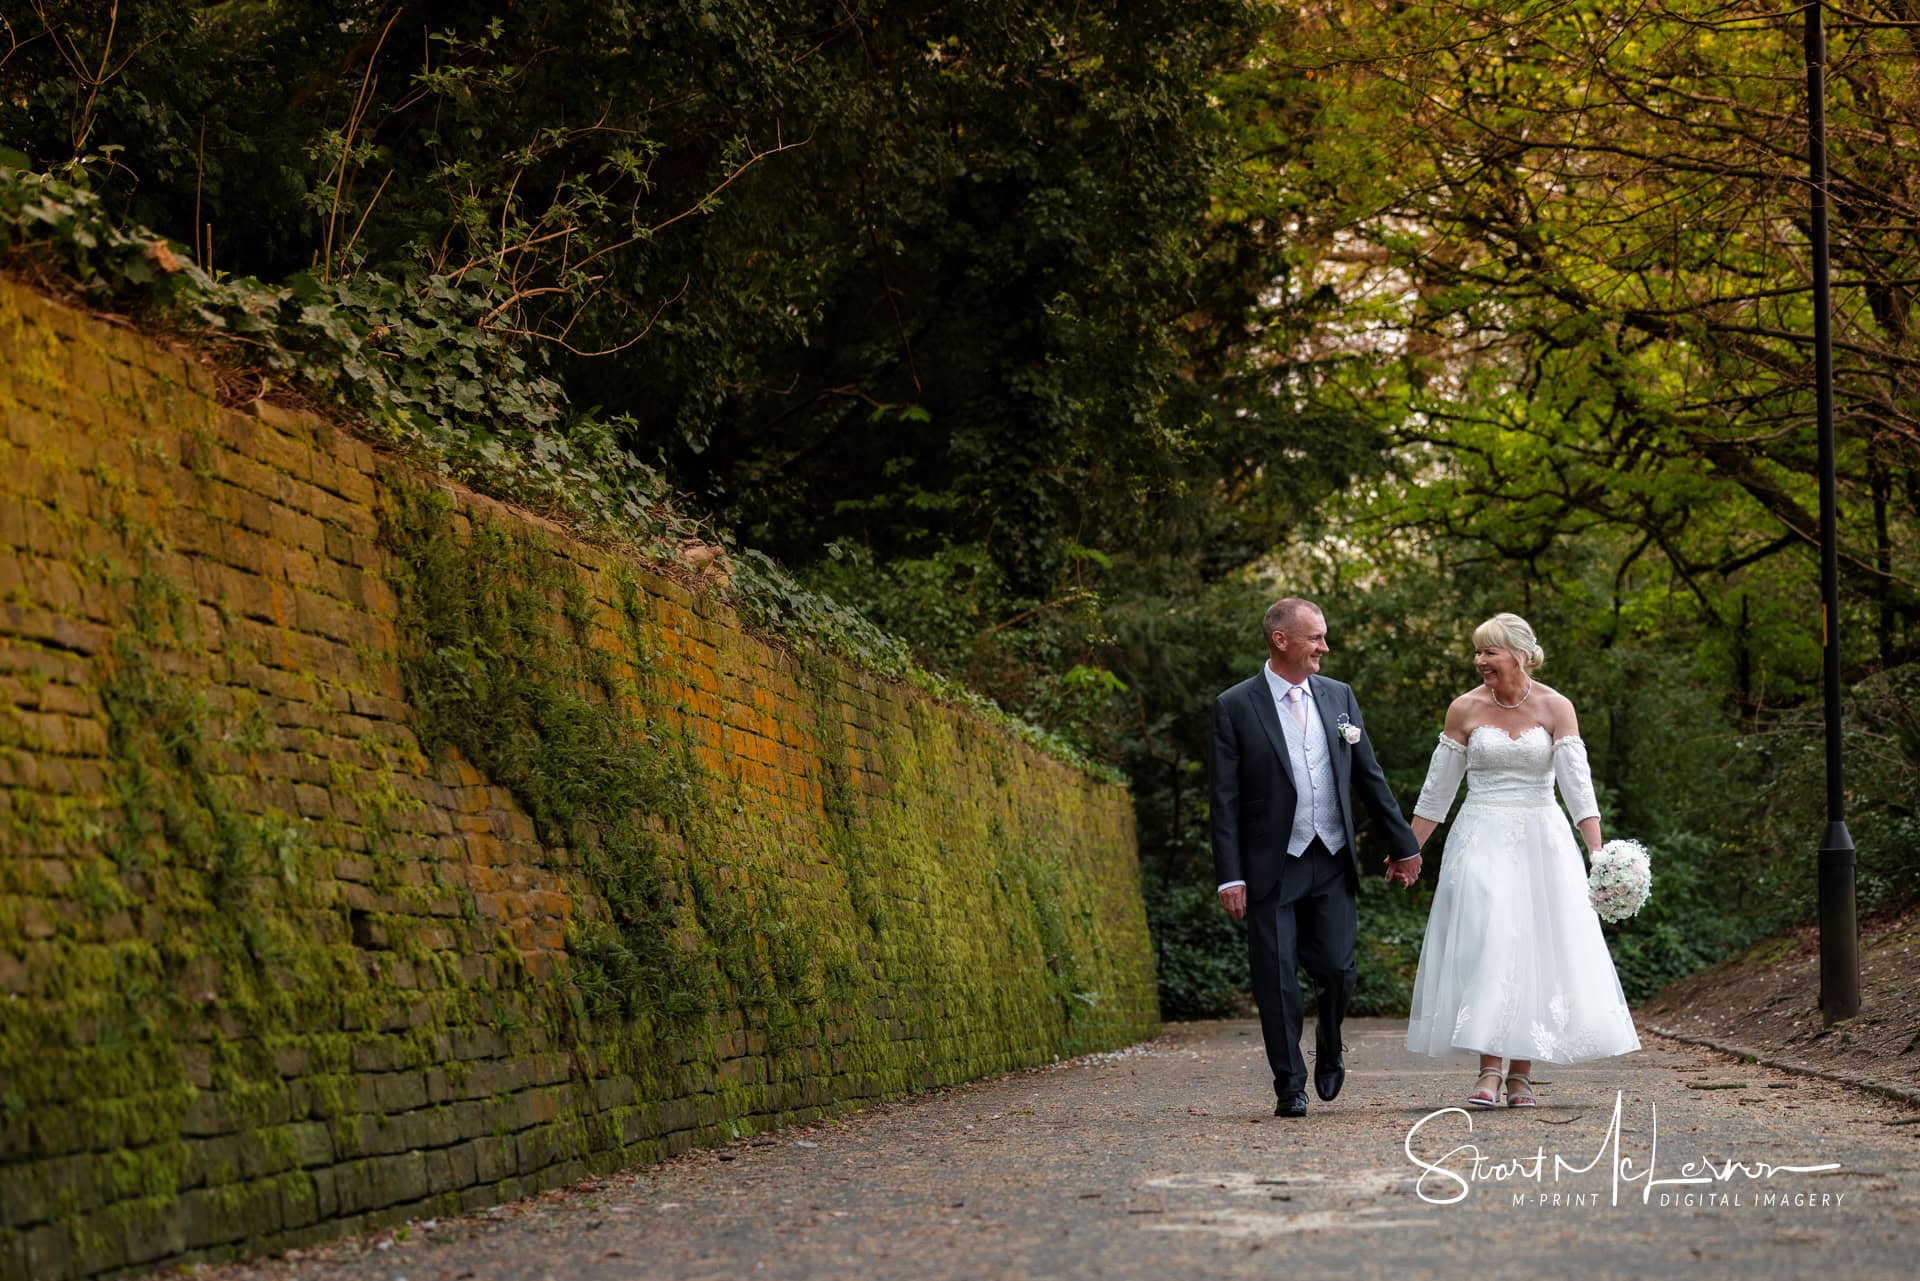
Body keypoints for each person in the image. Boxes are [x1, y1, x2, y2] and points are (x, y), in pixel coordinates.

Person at [1403, 612, 1640, 1108]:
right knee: (1490, 936)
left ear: (1521, 655)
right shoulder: (1463, 709)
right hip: (1480, 833)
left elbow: (1578, 788)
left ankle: (1521, 1074)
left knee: (1533, 946)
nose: (1480, 661)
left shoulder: (1556, 707)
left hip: (1542, 836)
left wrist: (1598, 854)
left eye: (1490, 651)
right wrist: (1409, 848)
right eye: (1478, 651)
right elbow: (1437, 790)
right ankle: (1489, 1069)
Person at [1209, 598, 1423, 1118]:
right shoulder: (1235, 705)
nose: (1325, 647)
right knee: (1276, 978)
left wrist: (1404, 844)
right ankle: (1290, 1084)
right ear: (1281, 641)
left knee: (1339, 970)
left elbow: (1369, 775)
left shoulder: (1339, 697)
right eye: (1315, 638)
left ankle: (1329, 1042)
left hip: (1330, 857)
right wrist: (1229, 876)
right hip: (1270, 865)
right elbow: (1225, 799)